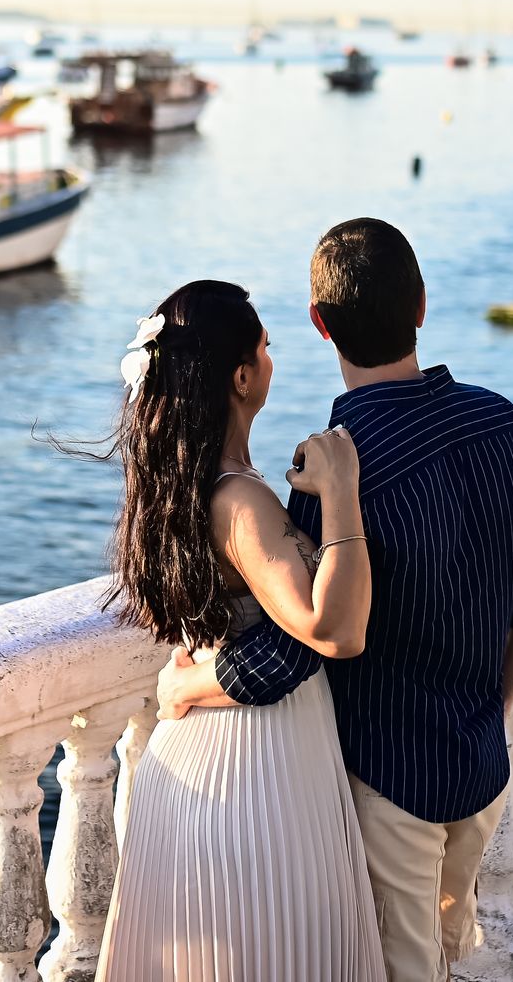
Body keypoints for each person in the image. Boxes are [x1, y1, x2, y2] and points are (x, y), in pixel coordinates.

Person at [159, 218, 513, 981]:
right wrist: (498, 706)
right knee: (444, 960)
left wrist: (188, 683)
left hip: (386, 781)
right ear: (421, 304)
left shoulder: (329, 470)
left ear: (319, 325)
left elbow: (293, 649)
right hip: (482, 763)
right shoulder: (503, 423)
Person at [89, 280, 385, 982]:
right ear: (243, 377)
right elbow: (334, 630)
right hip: (259, 772)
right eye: (266, 348)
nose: (271, 362)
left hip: (201, 758)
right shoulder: (239, 496)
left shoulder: (178, 484)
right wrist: (342, 493)